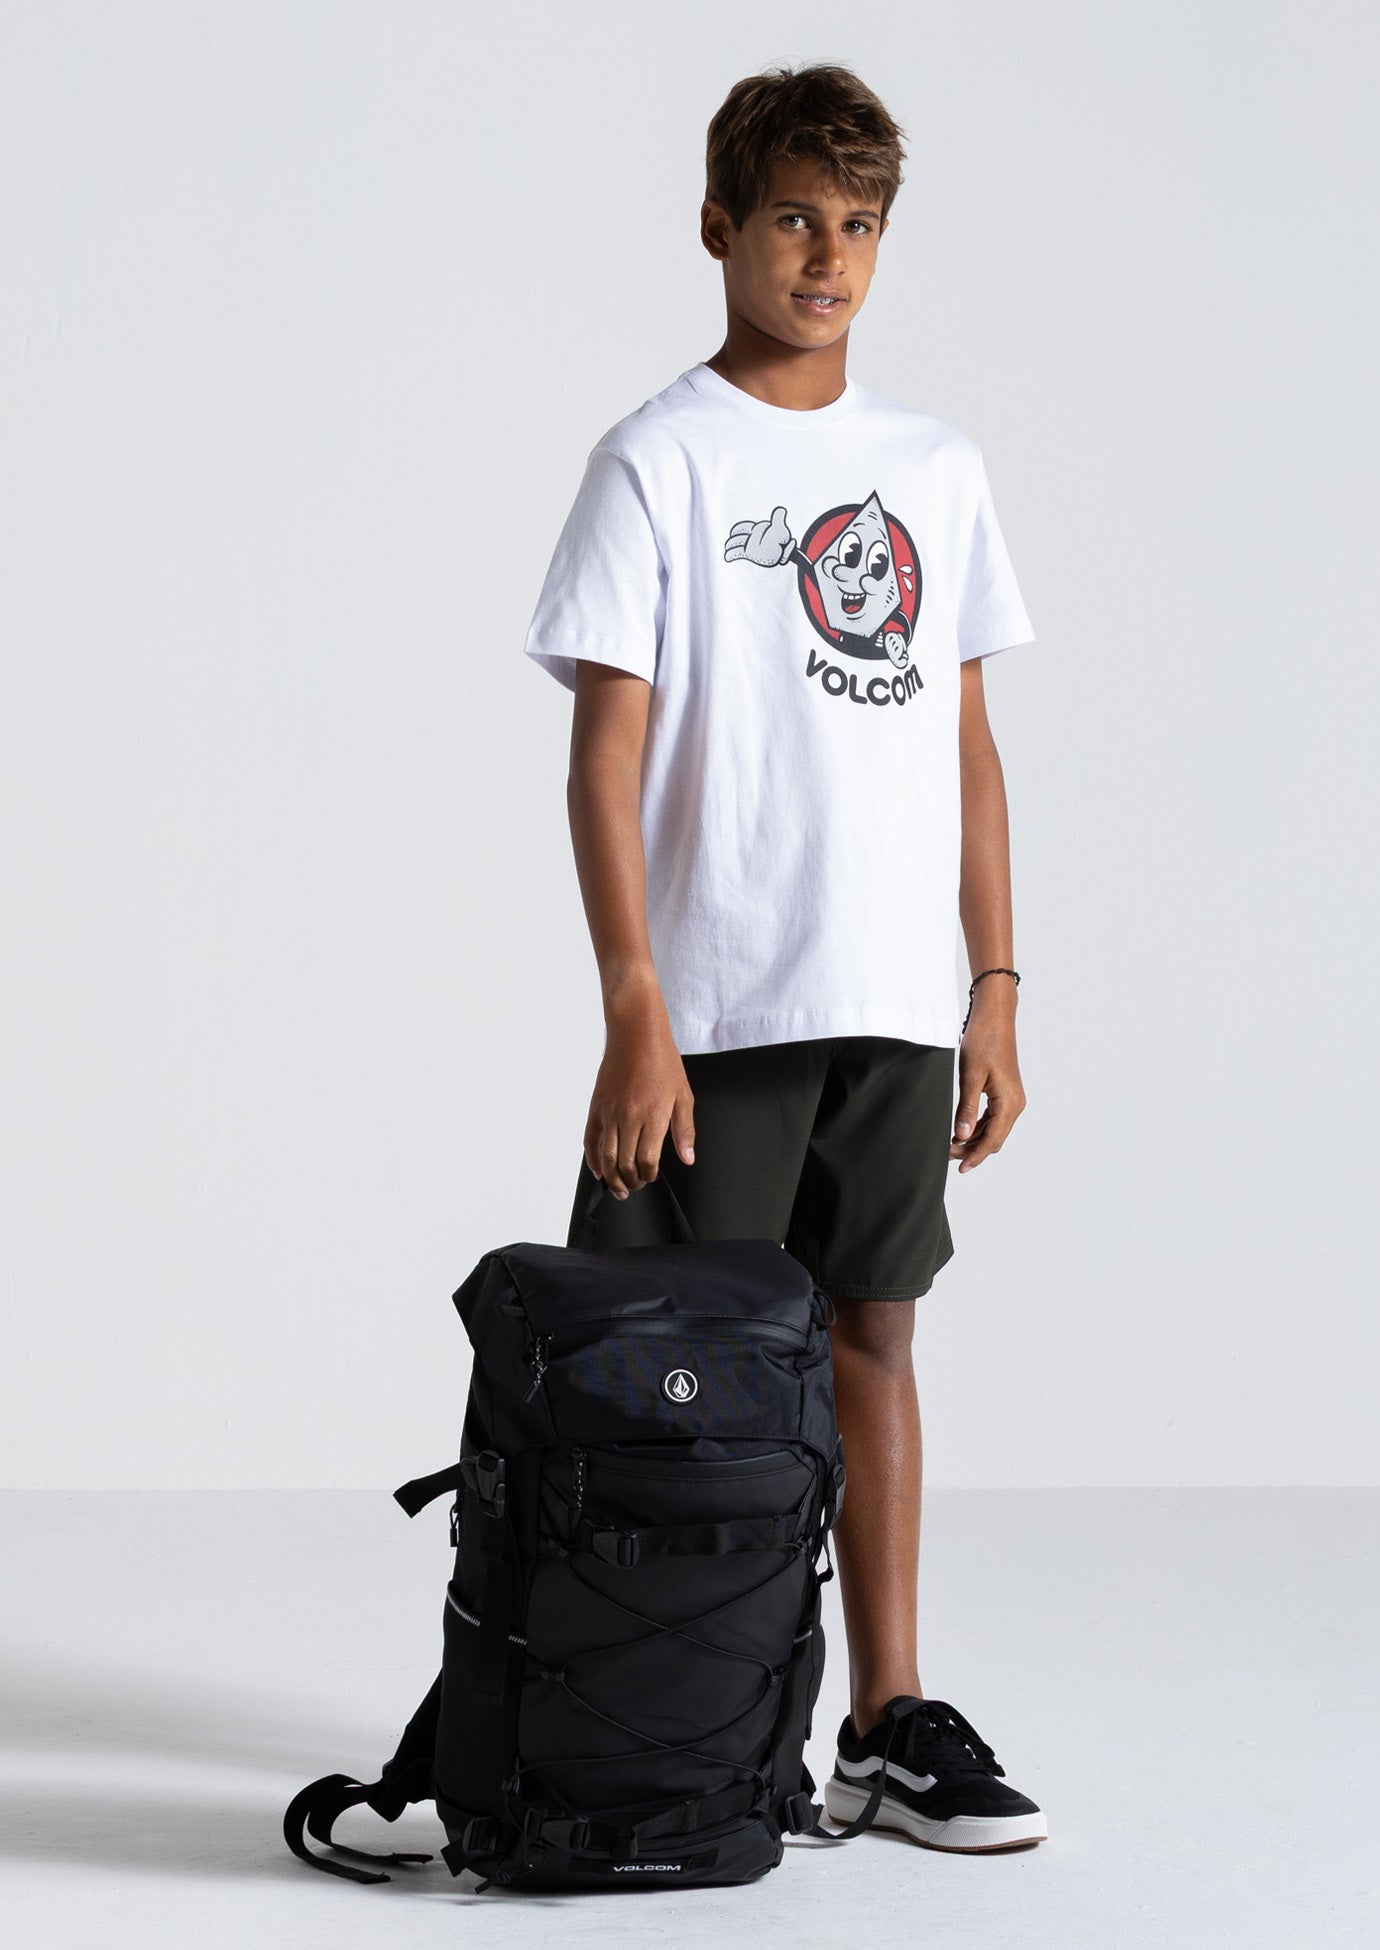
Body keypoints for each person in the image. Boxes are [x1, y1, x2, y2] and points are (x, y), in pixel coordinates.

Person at [521, 62, 1046, 1854]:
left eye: (861, 225)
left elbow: (969, 750)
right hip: (722, 1009)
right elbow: (602, 759)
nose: (830, 257)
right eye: (798, 219)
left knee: (873, 1339)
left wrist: (992, 986)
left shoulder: (936, 470)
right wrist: (636, 1007)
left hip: (892, 1003)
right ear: (719, 228)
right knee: (659, 1371)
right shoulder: (659, 459)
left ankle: (884, 1722)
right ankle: (626, 1728)